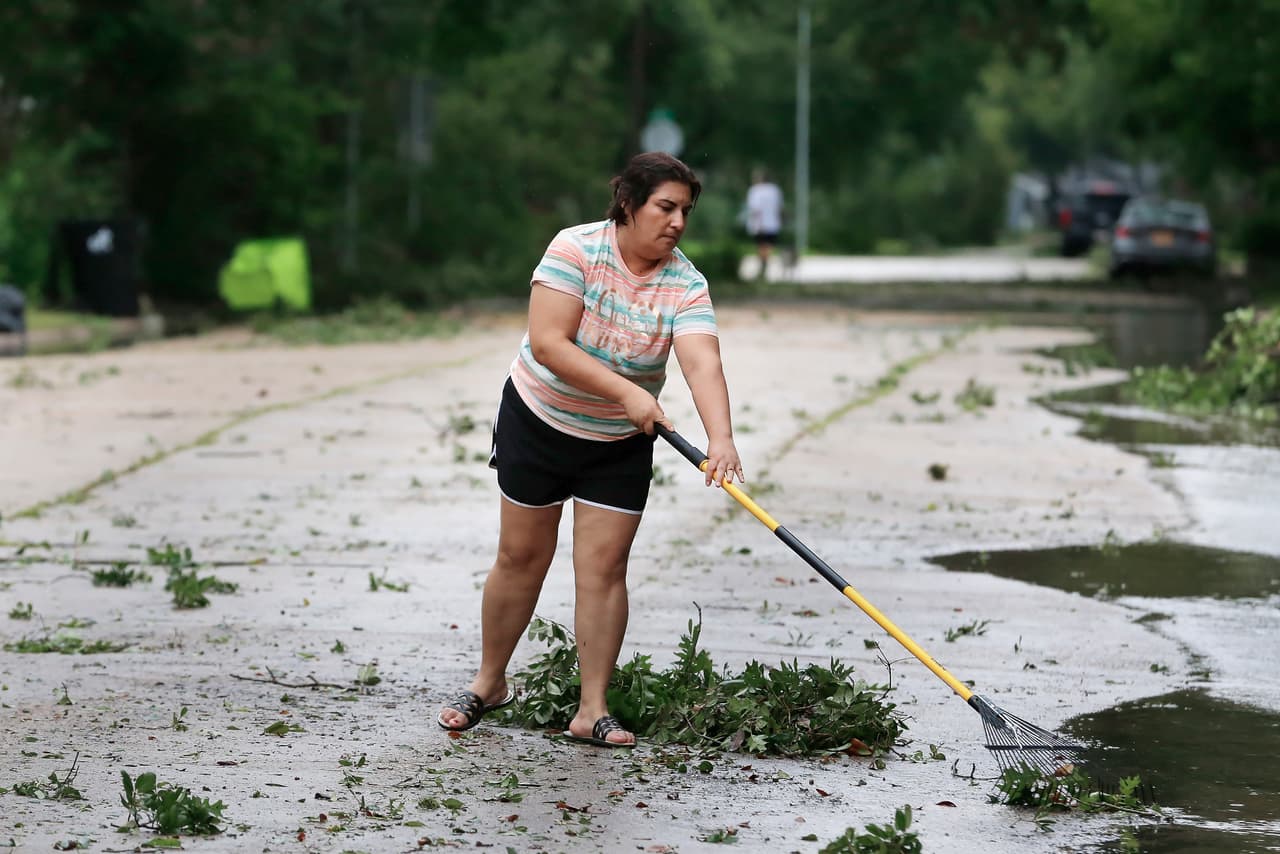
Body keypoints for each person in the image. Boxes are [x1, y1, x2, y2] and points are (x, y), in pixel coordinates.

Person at [437, 152, 745, 747]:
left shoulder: (685, 283)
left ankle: (591, 709)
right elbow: (550, 344)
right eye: (666, 206)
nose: (678, 221)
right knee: (521, 558)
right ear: (628, 203)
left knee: (604, 570)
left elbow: (702, 359)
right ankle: (488, 682)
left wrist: (722, 437)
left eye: (686, 210)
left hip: (619, 442)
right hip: (540, 419)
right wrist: (629, 391)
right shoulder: (576, 250)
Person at [744, 169, 784, 279]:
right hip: (773, 224)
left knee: (761, 246)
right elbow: (779, 207)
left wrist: (756, 224)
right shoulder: (775, 190)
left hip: (760, 224)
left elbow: (755, 209)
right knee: (768, 246)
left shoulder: (755, 190)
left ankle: (763, 267)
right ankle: (764, 266)